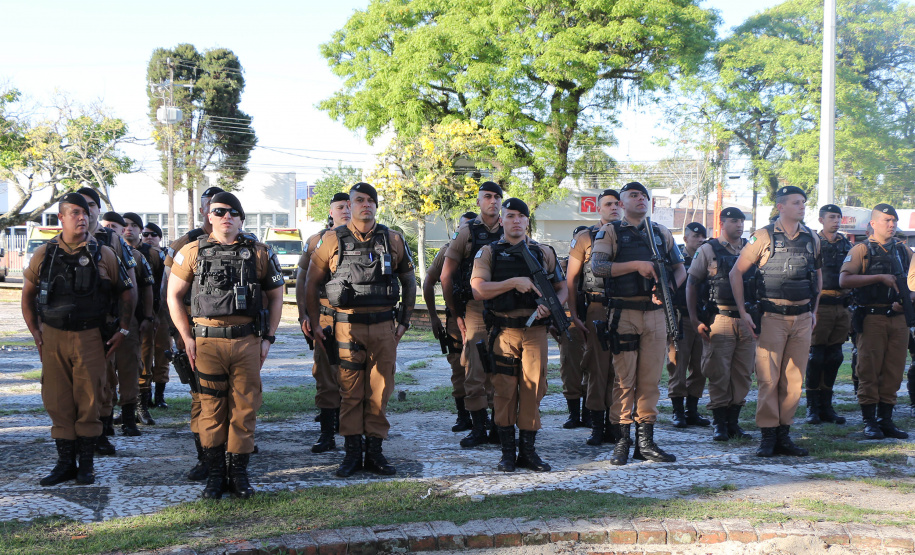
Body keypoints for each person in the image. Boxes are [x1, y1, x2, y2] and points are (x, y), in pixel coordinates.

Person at [167, 192, 285, 499]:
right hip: (207, 342)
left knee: (244, 409)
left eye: (233, 212)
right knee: (211, 409)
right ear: (209, 216)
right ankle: (216, 475)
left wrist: (268, 338)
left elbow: (276, 295)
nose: (226, 217)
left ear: (242, 219)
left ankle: (239, 475)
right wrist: (186, 337)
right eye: (219, 212)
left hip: (247, 340)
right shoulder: (192, 251)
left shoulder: (259, 252)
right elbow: (173, 296)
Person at [305, 182, 417, 478]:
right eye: (358, 200)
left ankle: (375, 452)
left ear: (376, 205)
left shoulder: (392, 239)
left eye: (370, 200)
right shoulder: (331, 240)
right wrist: (315, 322)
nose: (365, 205)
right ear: (350, 205)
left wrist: (404, 320)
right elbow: (311, 282)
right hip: (346, 327)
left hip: (383, 327)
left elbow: (408, 279)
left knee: (380, 392)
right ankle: (353, 452)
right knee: (350, 392)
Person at [21, 193, 133, 486]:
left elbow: (127, 291)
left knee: (90, 400)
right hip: (54, 336)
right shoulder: (44, 253)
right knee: (57, 401)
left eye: (85, 213)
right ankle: (64, 464)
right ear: (61, 218)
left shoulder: (104, 253)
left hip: (91, 337)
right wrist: (35, 331)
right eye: (74, 213)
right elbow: (28, 294)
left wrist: (122, 329)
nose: (81, 218)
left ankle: (86, 465)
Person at [590, 182, 686, 466]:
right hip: (624, 314)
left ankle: (646, 442)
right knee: (624, 380)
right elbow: (598, 267)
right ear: (621, 202)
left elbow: (680, 268)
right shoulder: (610, 231)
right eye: (634, 195)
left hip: (655, 313)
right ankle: (622, 441)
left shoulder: (661, 232)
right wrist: (635, 266)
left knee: (650, 380)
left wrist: (666, 286)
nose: (641, 199)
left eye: (644, 195)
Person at [471, 198, 566, 472]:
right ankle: (507, 453)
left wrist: (552, 305)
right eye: (509, 215)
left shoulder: (543, 252)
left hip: (535, 331)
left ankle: (528, 451)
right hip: (503, 331)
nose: (515, 220)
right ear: (501, 221)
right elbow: (479, 290)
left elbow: (562, 289)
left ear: (527, 221)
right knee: (503, 390)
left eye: (520, 216)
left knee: (533, 389)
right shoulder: (488, 252)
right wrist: (513, 282)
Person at [730, 185, 821, 457]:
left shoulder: (812, 238)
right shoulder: (762, 237)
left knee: (794, 379)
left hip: (802, 317)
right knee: (769, 378)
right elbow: (736, 273)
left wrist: (814, 311)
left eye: (803, 202)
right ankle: (768, 436)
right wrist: (743, 312)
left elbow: (817, 278)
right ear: (781, 207)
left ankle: (784, 434)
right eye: (796, 202)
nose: (802, 206)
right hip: (771, 317)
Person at [162, 185, 224, 480]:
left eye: (224, 207)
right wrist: (181, 336)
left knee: (238, 397)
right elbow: (169, 292)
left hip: (236, 337)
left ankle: (234, 455)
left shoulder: (246, 244)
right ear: (203, 211)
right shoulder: (185, 244)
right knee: (202, 398)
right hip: (196, 335)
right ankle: (206, 457)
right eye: (212, 206)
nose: (218, 211)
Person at [441, 182, 504, 447]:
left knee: (503, 370)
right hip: (475, 310)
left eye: (497, 197)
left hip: (505, 309)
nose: (493, 201)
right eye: (487, 197)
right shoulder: (466, 232)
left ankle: (500, 426)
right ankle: (478, 427)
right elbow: (446, 276)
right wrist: (456, 313)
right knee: (475, 370)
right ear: (478, 202)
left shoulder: (510, 228)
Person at [686, 208, 755, 442]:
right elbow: (692, 284)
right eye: (734, 221)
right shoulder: (708, 249)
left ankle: (733, 422)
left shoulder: (750, 248)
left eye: (742, 221)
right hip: (720, 319)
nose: (739, 225)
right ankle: (719, 423)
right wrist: (695, 319)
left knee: (743, 373)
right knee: (718, 372)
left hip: (746, 320)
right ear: (722, 222)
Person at [843, 203, 911, 440]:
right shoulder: (862, 249)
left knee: (893, 371)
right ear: (872, 223)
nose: (891, 225)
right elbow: (844, 279)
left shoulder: (903, 251)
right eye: (886, 220)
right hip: (871, 317)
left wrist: (908, 298)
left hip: (899, 319)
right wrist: (880, 277)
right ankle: (870, 421)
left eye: (894, 221)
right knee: (869, 369)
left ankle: (886, 420)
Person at [78, 187, 137, 454]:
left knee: (104, 379)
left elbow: (129, 282)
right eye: (80, 205)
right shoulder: (59, 243)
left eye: (91, 204)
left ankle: (102, 429)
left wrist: (127, 322)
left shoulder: (113, 240)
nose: (86, 210)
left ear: (98, 209)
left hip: (106, 321)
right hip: (71, 324)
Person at [296, 192, 352, 453]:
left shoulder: (374, 239)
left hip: (358, 319)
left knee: (356, 377)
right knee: (326, 375)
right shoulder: (316, 241)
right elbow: (303, 281)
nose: (346, 210)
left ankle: (356, 434)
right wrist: (305, 315)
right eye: (340, 207)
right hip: (327, 316)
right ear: (331, 212)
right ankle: (327, 434)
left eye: (350, 206)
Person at [566, 188, 621, 445]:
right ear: (599, 208)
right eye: (608, 204)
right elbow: (572, 279)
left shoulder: (631, 236)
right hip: (597, 308)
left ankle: (616, 425)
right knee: (598, 369)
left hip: (625, 309)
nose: (614, 208)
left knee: (620, 371)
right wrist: (574, 316)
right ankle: (597, 426)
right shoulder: (586, 238)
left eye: (617, 203)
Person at [423, 211, 478, 433]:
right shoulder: (447, 250)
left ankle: (486, 419)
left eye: (471, 229)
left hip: (484, 315)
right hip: (456, 317)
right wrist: (433, 317)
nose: (465, 234)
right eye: (462, 229)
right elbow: (428, 282)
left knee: (486, 366)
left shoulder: (490, 248)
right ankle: (463, 416)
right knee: (459, 367)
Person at [101, 212, 156, 430]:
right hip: (101, 320)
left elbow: (147, 288)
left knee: (129, 367)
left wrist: (148, 316)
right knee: (103, 371)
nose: (109, 229)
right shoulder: (92, 253)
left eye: (114, 226)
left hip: (128, 319)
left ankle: (129, 417)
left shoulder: (133, 255)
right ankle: (105, 419)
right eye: (106, 225)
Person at [807, 205, 851, 425]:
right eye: (832, 217)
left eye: (838, 217)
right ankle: (812, 407)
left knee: (835, 356)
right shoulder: (813, 242)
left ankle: (827, 406)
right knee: (816, 357)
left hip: (841, 305)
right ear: (821, 219)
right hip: (820, 304)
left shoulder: (846, 244)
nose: (836, 221)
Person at [668, 222, 710, 428]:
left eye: (703, 236)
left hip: (703, 320)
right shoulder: (676, 261)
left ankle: (692, 410)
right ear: (685, 239)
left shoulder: (709, 259)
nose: (701, 239)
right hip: (680, 319)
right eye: (696, 236)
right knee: (678, 365)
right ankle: (677, 411)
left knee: (700, 366)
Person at [122, 212, 163, 424]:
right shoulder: (112, 250)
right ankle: (124, 407)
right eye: (125, 225)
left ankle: (142, 407)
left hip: (146, 316)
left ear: (140, 229)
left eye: (134, 225)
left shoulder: (152, 254)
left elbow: (157, 287)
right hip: (121, 318)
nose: (129, 229)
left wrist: (153, 315)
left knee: (145, 362)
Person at [142, 222, 172, 408]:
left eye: (154, 234)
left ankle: (159, 397)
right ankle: (144, 397)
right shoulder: (138, 256)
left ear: (160, 238)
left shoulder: (167, 256)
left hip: (163, 312)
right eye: (145, 234)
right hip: (145, 312)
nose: (149, 237)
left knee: (163, 354)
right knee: (144, 356)